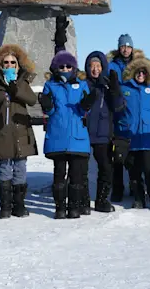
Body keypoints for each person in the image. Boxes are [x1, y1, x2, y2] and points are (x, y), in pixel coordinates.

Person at [0, 44, 39, 219]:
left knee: (20, 167)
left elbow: (31, 99)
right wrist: (4, 92)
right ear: (1, 65)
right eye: (6, 62)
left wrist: (16, 88)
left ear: (18, 65)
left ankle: (19, 204)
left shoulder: (23, 81)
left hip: (21, 130)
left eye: (12, 62)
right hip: (4, 131)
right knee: (5, 168)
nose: (9, 65)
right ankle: (5, 205)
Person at [39, 49, 92, 219]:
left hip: (77, 136)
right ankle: (60, 207)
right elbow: (50, 110)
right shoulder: (50, 85)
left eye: (69, 66)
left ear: (73, 68)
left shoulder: (82, 85)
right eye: (61, 66)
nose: (65, 68)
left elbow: (84, 111)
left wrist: (86, 104)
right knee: (59, 174)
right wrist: (47, 105)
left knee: (76, 176)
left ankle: (74, 207)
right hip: (58, 136)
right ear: (56, 68)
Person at [83, 51, 125, 213]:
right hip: (84, 133)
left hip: (103, 133)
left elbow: (119, 106)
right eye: (91, 66)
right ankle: (83, 200)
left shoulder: (108, 84)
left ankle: (102, 200)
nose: (95, 69)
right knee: (81, 170)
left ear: (103, 67)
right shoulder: (82, 84)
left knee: (106, 168)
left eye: (98, 66)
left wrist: (114, 89)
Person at [118, 56, 150, 209]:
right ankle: (138, 198)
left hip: (148, 136)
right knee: (134, 171)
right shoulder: (124, 89)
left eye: (144, 72)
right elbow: (117, 110)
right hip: (130, 135)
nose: (141, 75)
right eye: (138, 72)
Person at [107, 34, 144, 202]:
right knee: (118, 157)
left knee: (133, 157)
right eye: (123, 46)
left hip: (134, 113)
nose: (125, 49)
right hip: (117, 114)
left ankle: (135, 187)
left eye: (128, 46)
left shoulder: (138, 64)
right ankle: (117, 189)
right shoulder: (112, 65)